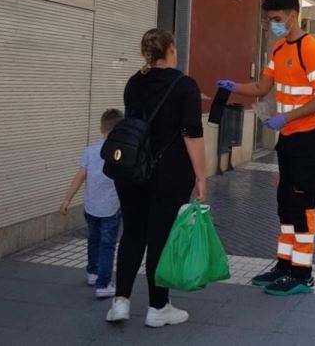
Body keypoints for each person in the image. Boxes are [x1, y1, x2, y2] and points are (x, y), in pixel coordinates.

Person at [217, 0, 315, 296]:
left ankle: (302, 273)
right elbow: (261, 87)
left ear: (293, 16)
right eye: (270, 21)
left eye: (277, 20)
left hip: (308, 134)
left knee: (302, 202)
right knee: (285, 201)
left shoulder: (310, 48)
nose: (273, 26)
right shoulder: (279, 49)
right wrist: (234, 87)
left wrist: (289, 116)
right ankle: (284, 264)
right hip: (289, 137)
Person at [106, 29, 207, 327]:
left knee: (133, 234)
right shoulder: (185, 85)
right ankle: (158, 307)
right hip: (170, 173)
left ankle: (120, 302)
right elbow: (192, 135)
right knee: (159, 238)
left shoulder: (134, 82)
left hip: (131, 170)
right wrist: (201, 177)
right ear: (171, 50)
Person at [60, 109, 124, 298]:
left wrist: (66, 200)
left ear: (101, 128)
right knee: (107, 245)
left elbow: (80, 177)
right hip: (111, 208)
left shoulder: (90, 150)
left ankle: (92, 273)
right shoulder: (120, 153)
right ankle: (103, 284)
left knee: (93, 240)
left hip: (90, 207)